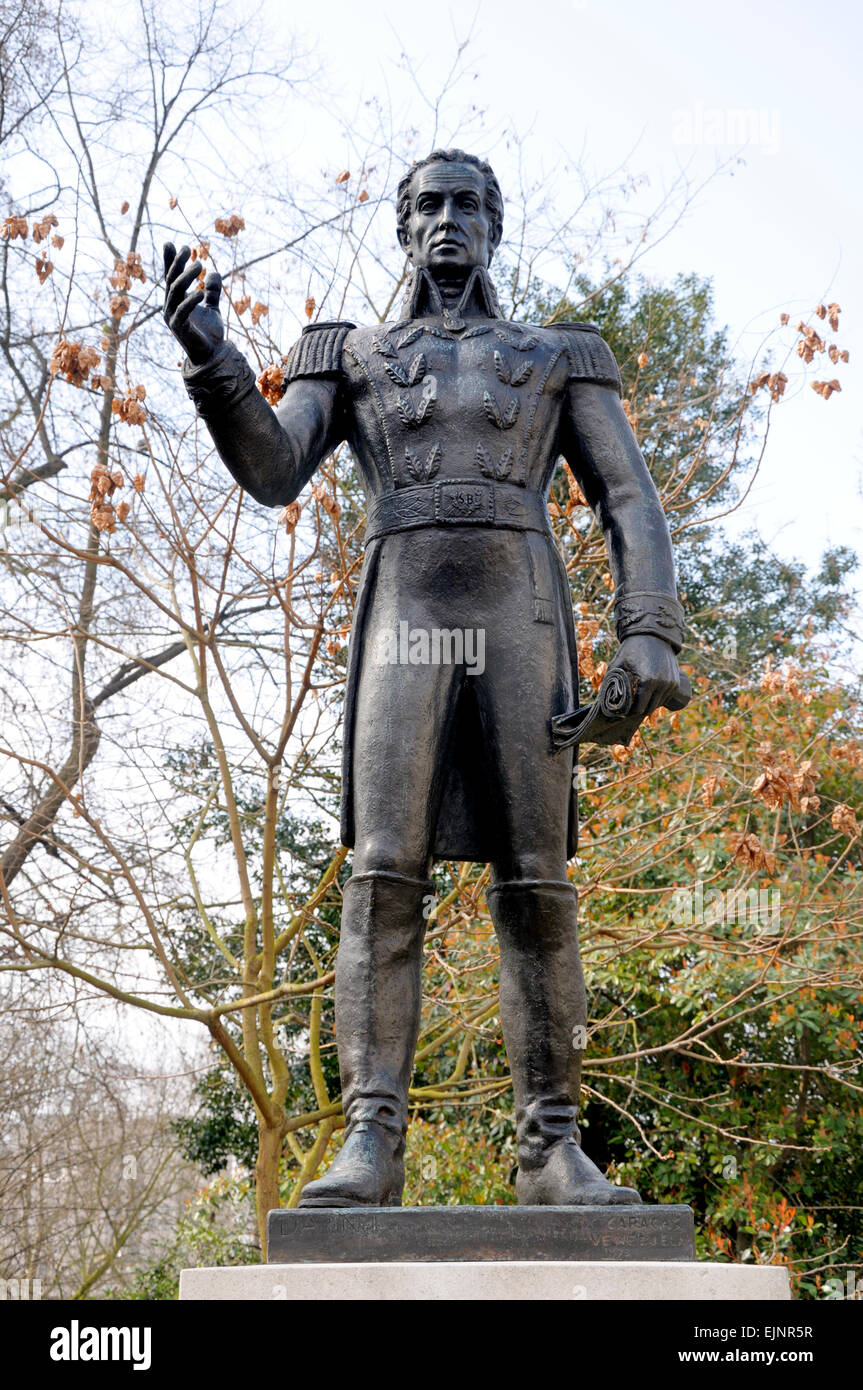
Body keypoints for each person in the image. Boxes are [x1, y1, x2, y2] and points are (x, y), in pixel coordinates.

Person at [163, 148, 689, 1207]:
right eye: (427, 206)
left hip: (519, 614)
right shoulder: (348, 353)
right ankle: (370, 1140)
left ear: (496, 226)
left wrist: (648, 636)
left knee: (536, 881)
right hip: (404, 609)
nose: (447, 222)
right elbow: (273, 469)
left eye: (467, 205)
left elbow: (625, 496)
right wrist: (214, 361)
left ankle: (550, 1145)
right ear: (402, 228)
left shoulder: (557, 354)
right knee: (381, 871)